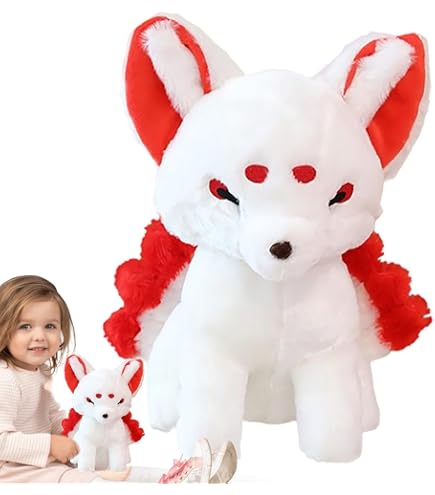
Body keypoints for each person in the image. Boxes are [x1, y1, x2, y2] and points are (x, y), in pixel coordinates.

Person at [0, 275, 237, 483]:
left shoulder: (38, 372)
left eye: (50, 326)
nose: (40, 336)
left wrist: (84, 425)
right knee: (88, 481)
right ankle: (181, 480)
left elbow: (52, 417)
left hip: (38, 462)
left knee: (113, 470)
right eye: (26, 326)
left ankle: (184, 476)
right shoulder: (6, 380)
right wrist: (51, 445)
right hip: (11, 471)